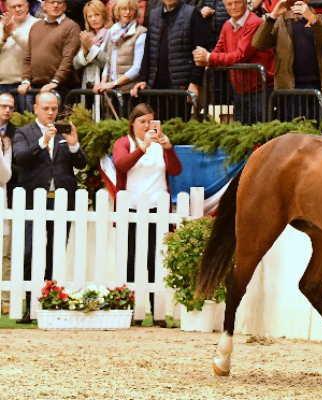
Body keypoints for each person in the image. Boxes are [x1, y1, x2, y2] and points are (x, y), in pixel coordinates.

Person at [12, 91, 87, 324]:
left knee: (56, 252)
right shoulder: (24, 132)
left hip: (62, 200)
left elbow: (82, 163)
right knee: (29, 252)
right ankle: (29, 304)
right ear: (35, 108)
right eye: (46, 108)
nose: (51, 112)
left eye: (54, 108)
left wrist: (75, 146)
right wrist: (42, 143)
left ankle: (50, 301)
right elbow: (19, 157)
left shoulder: (65, 132)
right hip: (34, 201)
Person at [112, 103, 181, 327]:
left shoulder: (159, 145)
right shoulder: (124, 143)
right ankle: (130, 311)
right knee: (131, 260)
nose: (146, 126)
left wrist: (168, 148)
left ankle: (157, 312)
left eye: (150, 122)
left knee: (155, 260)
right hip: (131, 207)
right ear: (133, 123)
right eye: (142, 122)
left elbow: (176, 170)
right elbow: (121, 165)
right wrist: (142, 148)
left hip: (157, 208)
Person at [252, 0, 322, 121]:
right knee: (294, 134)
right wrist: (272, 16)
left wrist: (312, 19)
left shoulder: (321, 19)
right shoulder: (278, 22)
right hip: (289, 88)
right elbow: (258, 43)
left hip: (321, 87)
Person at [132, 0, 215, 121]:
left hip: (181, 87)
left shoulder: (191, 13)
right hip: (156, 88)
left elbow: (200, 51)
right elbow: (148, 50)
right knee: (157, 130)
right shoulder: (154, 14)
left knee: (179, 131)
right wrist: (144, 79)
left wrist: (194, 83)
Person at [194, 0, 274, 125]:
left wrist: (208, 58)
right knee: (241, 132)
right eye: (229, 4)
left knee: (261, 133)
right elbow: (218, 50)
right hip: (240, 90)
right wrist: (203, 58)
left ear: (245, 3)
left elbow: (240, 56)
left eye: (237, 3)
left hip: (260, 89)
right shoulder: (227, 25)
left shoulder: (254, 23)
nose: (234, 7)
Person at [18, 0, 81, 112]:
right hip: (36, 87)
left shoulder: (71, 27)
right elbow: (28, 57)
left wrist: (55, 82)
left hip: (62, 88)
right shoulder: (36, 26)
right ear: (44, 5)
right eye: (52, 2)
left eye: (59, 2)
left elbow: (68, 59)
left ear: (65, 6)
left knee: (59, 127)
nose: (56, 5)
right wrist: (25, 81)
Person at [93, 0, 147, 97]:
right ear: (118, 11)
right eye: (124, 9)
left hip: (129, 92)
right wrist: (103, 82)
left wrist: (113, 83)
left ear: (136, 12)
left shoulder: (141, 33)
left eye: (131, 9)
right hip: (112, 91)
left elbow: (137, 68)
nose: (127, 12)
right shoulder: (112, 31)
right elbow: (108, 62)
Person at [73, 1, 112, 120]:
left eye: (97, 15)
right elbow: (75, 64)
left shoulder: (111, 33)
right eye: (90, 16)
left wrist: (91, 48)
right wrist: (85, 52)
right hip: (88, 84)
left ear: (104, 15)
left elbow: (107, 62)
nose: (93, 19)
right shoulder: (88, 35)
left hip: (105, 84)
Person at [0, 0, 37, 112]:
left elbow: (34, 48)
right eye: (13, 7)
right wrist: (4, 38)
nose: (17, 9)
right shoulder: (1, 25)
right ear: (6, 9)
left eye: (20, 6)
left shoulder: (37, 24)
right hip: (3, 84)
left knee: (27, 122)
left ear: (27, 6)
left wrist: (13, 33)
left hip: (26, 84)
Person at [0, 93, 13, 315]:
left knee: (6, 251)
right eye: (3, 106)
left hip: (2, 195)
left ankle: (5, 300)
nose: (7, 110)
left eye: (10, 106)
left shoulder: (8, 139)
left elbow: (6, 175)